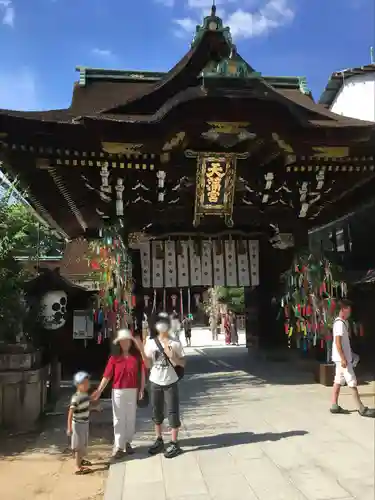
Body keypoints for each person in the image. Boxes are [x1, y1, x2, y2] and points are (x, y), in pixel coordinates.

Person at [92, 329, 147, 460]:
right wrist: (99, 390)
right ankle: (119, 446)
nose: (125, 343)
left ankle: (127, 442)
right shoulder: (114, 358)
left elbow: (143, 373)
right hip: (118, 391)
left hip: (132, 390)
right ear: (119, 343)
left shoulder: (137, 357)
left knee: (130, 418)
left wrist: (142, 389)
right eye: (122, 341)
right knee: (118, 419)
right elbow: (107, 376)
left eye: (127, 341)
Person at [144, 312, 186, 459]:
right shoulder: (150, 342)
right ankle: (159, 439)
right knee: (157, 412)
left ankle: (174, 443)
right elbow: (148, 364)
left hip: (171, 381)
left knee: (173, 412)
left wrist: (172, 355)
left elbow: (182, 363)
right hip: (155, 381)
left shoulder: (175, 342)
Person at [330, 299, 374, 418]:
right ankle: (361, 408)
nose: (350, 312)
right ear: (343, 309)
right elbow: (338, 343)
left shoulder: (342, 323)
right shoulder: (339, 324)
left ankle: (334, 405)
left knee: (338, 380)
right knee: (352, 381)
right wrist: (344, 358)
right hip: (342, 359)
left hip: (340, 358)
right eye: (349, 309)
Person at [67, 371, 93, 475]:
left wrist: (94, 408)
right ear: (78, 385)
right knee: (78, 445)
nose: (87, 385)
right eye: (85, 383)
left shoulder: (85, 395)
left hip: (85, 422)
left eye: (88, 383)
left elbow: (87, 406)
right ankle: (78, 466)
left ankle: (80, 460)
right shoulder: (76, 398)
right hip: (77, 424)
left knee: (83, 443)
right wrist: (69, 428)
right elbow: (70, 413)